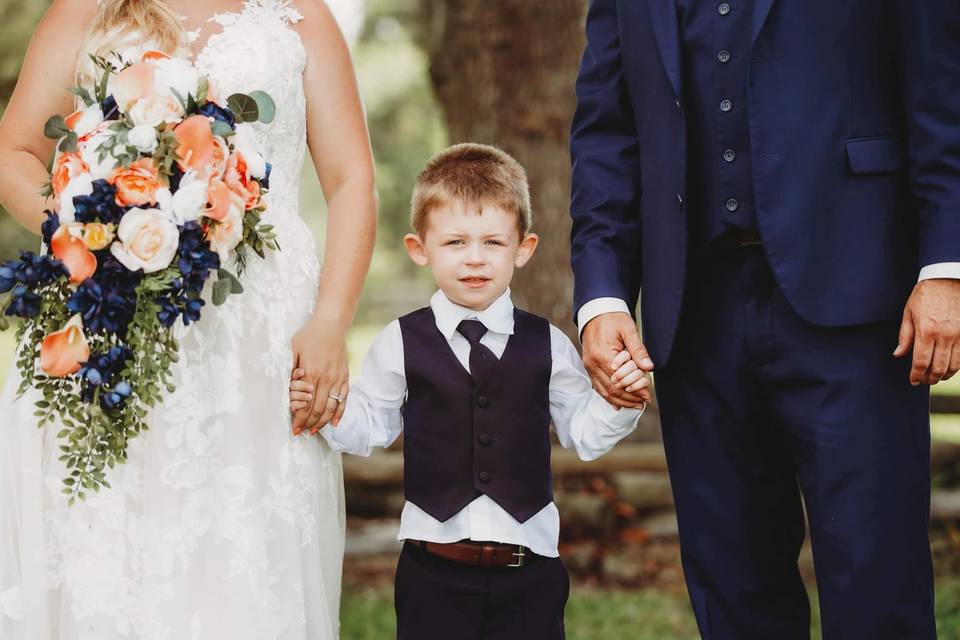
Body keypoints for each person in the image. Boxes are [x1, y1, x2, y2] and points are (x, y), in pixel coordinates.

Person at [570, 1, 960, 639]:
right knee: (732, 596)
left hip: (857, 299)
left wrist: (946, 263)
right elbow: (605, 131)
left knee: (877, 586)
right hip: (692, 312)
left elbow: (945, 85)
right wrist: (604, 294)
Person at [0, 1, 376, 638]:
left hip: (258, 334)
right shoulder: (86, 9)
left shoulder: (299, 15)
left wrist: (331, 321)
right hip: (110, 317)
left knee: (249, 553)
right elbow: (12, 151)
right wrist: (90, 225)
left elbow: (351, 180)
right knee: (109, 541)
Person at [290, 143, 648, 639]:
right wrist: (324, 408)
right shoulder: (400, 341)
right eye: (455, 242)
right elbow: (370, 427)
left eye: (493, 243)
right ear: (420, 249)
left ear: (523, 249)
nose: (475, 259)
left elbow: (584, 434)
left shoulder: (549, 343)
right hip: (431, 573)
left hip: (530, 572)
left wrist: (618, 401)